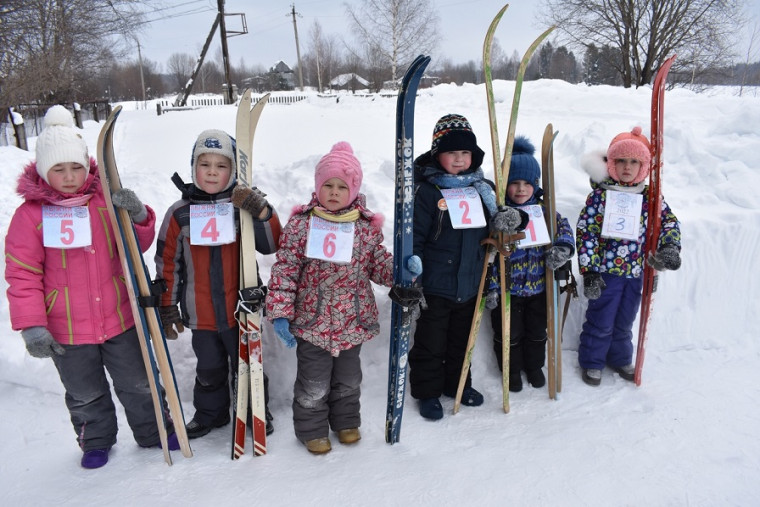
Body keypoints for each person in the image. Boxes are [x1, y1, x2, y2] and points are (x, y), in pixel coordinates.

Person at [5, 105, 174, 469]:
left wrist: (139, 215)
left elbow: (136, 245)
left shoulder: (104, 202)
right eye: (58, 169)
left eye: (76, 167)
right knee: (85, 393)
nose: (68, 176)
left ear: (87, 165)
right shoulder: (30, 216)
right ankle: (95, 440)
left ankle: (153, 430)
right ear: (42, 171)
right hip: (66, 328)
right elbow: (22, 274)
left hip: (119, 318)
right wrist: (32, 325)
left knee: (140, 383)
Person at [266, 141, 421, 454]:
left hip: (353, 320)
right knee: (313, 382)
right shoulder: (301, 225)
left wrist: (402, 270)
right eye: (327, 185)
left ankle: (346, 422)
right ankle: (312, 431)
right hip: (312, 322)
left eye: (341, 186)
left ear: (353, 190)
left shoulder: (363, 228)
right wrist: (280, 312)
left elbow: (376, 263)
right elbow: (285, 270)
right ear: (317, 187)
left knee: (349, 380)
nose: (334, 192)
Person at [154, 129, 282, 439]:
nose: (212, 172)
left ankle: (255, 410)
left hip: (242, 307)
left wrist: (261, 210)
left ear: (233, 170)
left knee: (249, 363)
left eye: (221, 165)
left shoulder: (242, 205)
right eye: (205, 164)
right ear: (193, 167)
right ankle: (211, 413)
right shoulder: (179, 213)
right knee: (208, 368)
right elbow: (167, 262)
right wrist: (167, 305)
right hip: (201, 314)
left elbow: (272, 243)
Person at [408, 114, 527, 420]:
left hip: (472, 281)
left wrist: (511, 220)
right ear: (438, 155)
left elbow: (506, 218)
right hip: (436, 284)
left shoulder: (483, 188)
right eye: (452, 153)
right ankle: (427, 392)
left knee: (464, 341)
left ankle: (458, 384)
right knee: (431, 343)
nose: (460, 160)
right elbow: (415, 236)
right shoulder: (428, 192)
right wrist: (413, 269)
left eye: (465, 153)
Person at [576, 127, 681, 386]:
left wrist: (669, 248)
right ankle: (592, 361)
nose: (627, 167)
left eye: (634, 162)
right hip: (607, 273)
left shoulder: (651, 199)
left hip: (637, 273)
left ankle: (620, 357)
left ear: (644, 167)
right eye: (621, 161)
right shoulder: (600, 197)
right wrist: (590, 270)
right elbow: (586, 232)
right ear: (611, 164)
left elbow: (668, 223)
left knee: (625, 319)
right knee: (601, 318)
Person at [487, 136, 575, 392]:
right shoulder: (499, 215)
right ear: (505, 186)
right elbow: (489, 256)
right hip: (509, 290)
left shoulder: (546, 211)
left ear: (536, 185)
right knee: (508, 335)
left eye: (527, 183)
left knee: (538, 332)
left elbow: (564, 230)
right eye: (515, 183)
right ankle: (511, 370)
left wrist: (563, 248)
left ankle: (535, 366)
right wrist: (492, 286)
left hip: (539, 287)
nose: (522, 189)